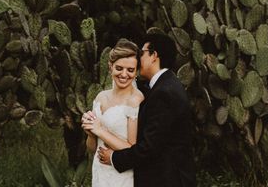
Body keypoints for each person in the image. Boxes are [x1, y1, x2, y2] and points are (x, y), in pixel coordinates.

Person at [97, 32, 197, 187]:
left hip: (168, 180)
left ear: (153, 55)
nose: (138, 58)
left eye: (141, 53)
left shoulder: (165, 92)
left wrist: (114, 158)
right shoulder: (165, 85)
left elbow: (149, 147)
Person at [81, 38, 144, 187]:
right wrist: (90, 133)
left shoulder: (135, 99)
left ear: (136, 72)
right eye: (119, 68)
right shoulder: (100, 97)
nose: (124, 74)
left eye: (130, 70)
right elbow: (92, 149)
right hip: (100, 171)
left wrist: (99, 130)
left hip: (121, 175)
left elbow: (132, 149)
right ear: (110, 67)